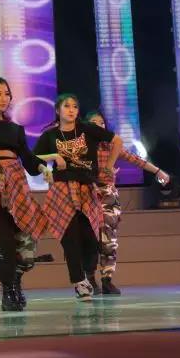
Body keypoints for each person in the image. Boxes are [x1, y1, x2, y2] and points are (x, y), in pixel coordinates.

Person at [0, 76, 53, 312]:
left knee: (26, 247)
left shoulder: (15, 129)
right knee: (2, 242)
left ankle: (15, 282)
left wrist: (43, 168)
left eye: (7, 94)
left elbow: (28, 157)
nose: (4, 98)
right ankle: (9, 291)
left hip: (17, 185)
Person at [34, 94, 122, 301]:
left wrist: (108, 167)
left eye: (75, 106)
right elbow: (32, 157)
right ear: (58, 110)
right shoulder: (50, 135)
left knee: (91, 240)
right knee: (70, 238)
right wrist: (53, 157)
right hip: (62, 190)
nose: (71, 110)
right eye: (66, 106)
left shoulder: (86, 129)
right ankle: (79, 282)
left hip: (86, 189)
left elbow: (117, 141)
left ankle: (88, 274)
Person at [84, 110, 170, 295]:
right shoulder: (81, 147)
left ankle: (107, 279)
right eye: (94, 123)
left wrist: (158, 171)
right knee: (90, 239)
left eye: (101, 123)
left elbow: (136, 159)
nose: (99, 126)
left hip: (108, 194)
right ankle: (89, 278)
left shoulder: (111, 146)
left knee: (108, 238)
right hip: (87, 194)